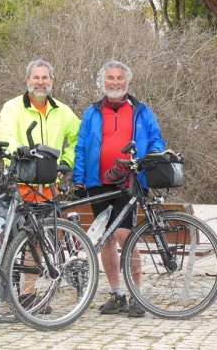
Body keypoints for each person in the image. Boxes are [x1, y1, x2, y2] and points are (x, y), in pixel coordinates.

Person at [72, 59, 166, 318]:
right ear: (103, 82)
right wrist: (78, 179)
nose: (115, 82)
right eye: (110, 78)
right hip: (97, 182)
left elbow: (157, 138)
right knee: (105, 240)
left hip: (131, 183)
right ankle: (116, 295)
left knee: (126, 236)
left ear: (127, 82)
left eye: (119, 78)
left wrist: (154, 155)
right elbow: (81, 146)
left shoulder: (141, 110)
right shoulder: (92, 112)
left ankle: (137, 296)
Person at [0, 59, 81, 310]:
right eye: (36, 77)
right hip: (19, 185)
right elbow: (7, 141)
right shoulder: (12, 108)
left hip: (48, 187)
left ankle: (27, 296)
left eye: (45, 78)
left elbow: (80, 138)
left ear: (52, 81)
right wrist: (25, 161)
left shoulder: (63, 111)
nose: (40, 82)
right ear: (27, 80)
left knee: (36, 244)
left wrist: (66, 161)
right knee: (7, 241)